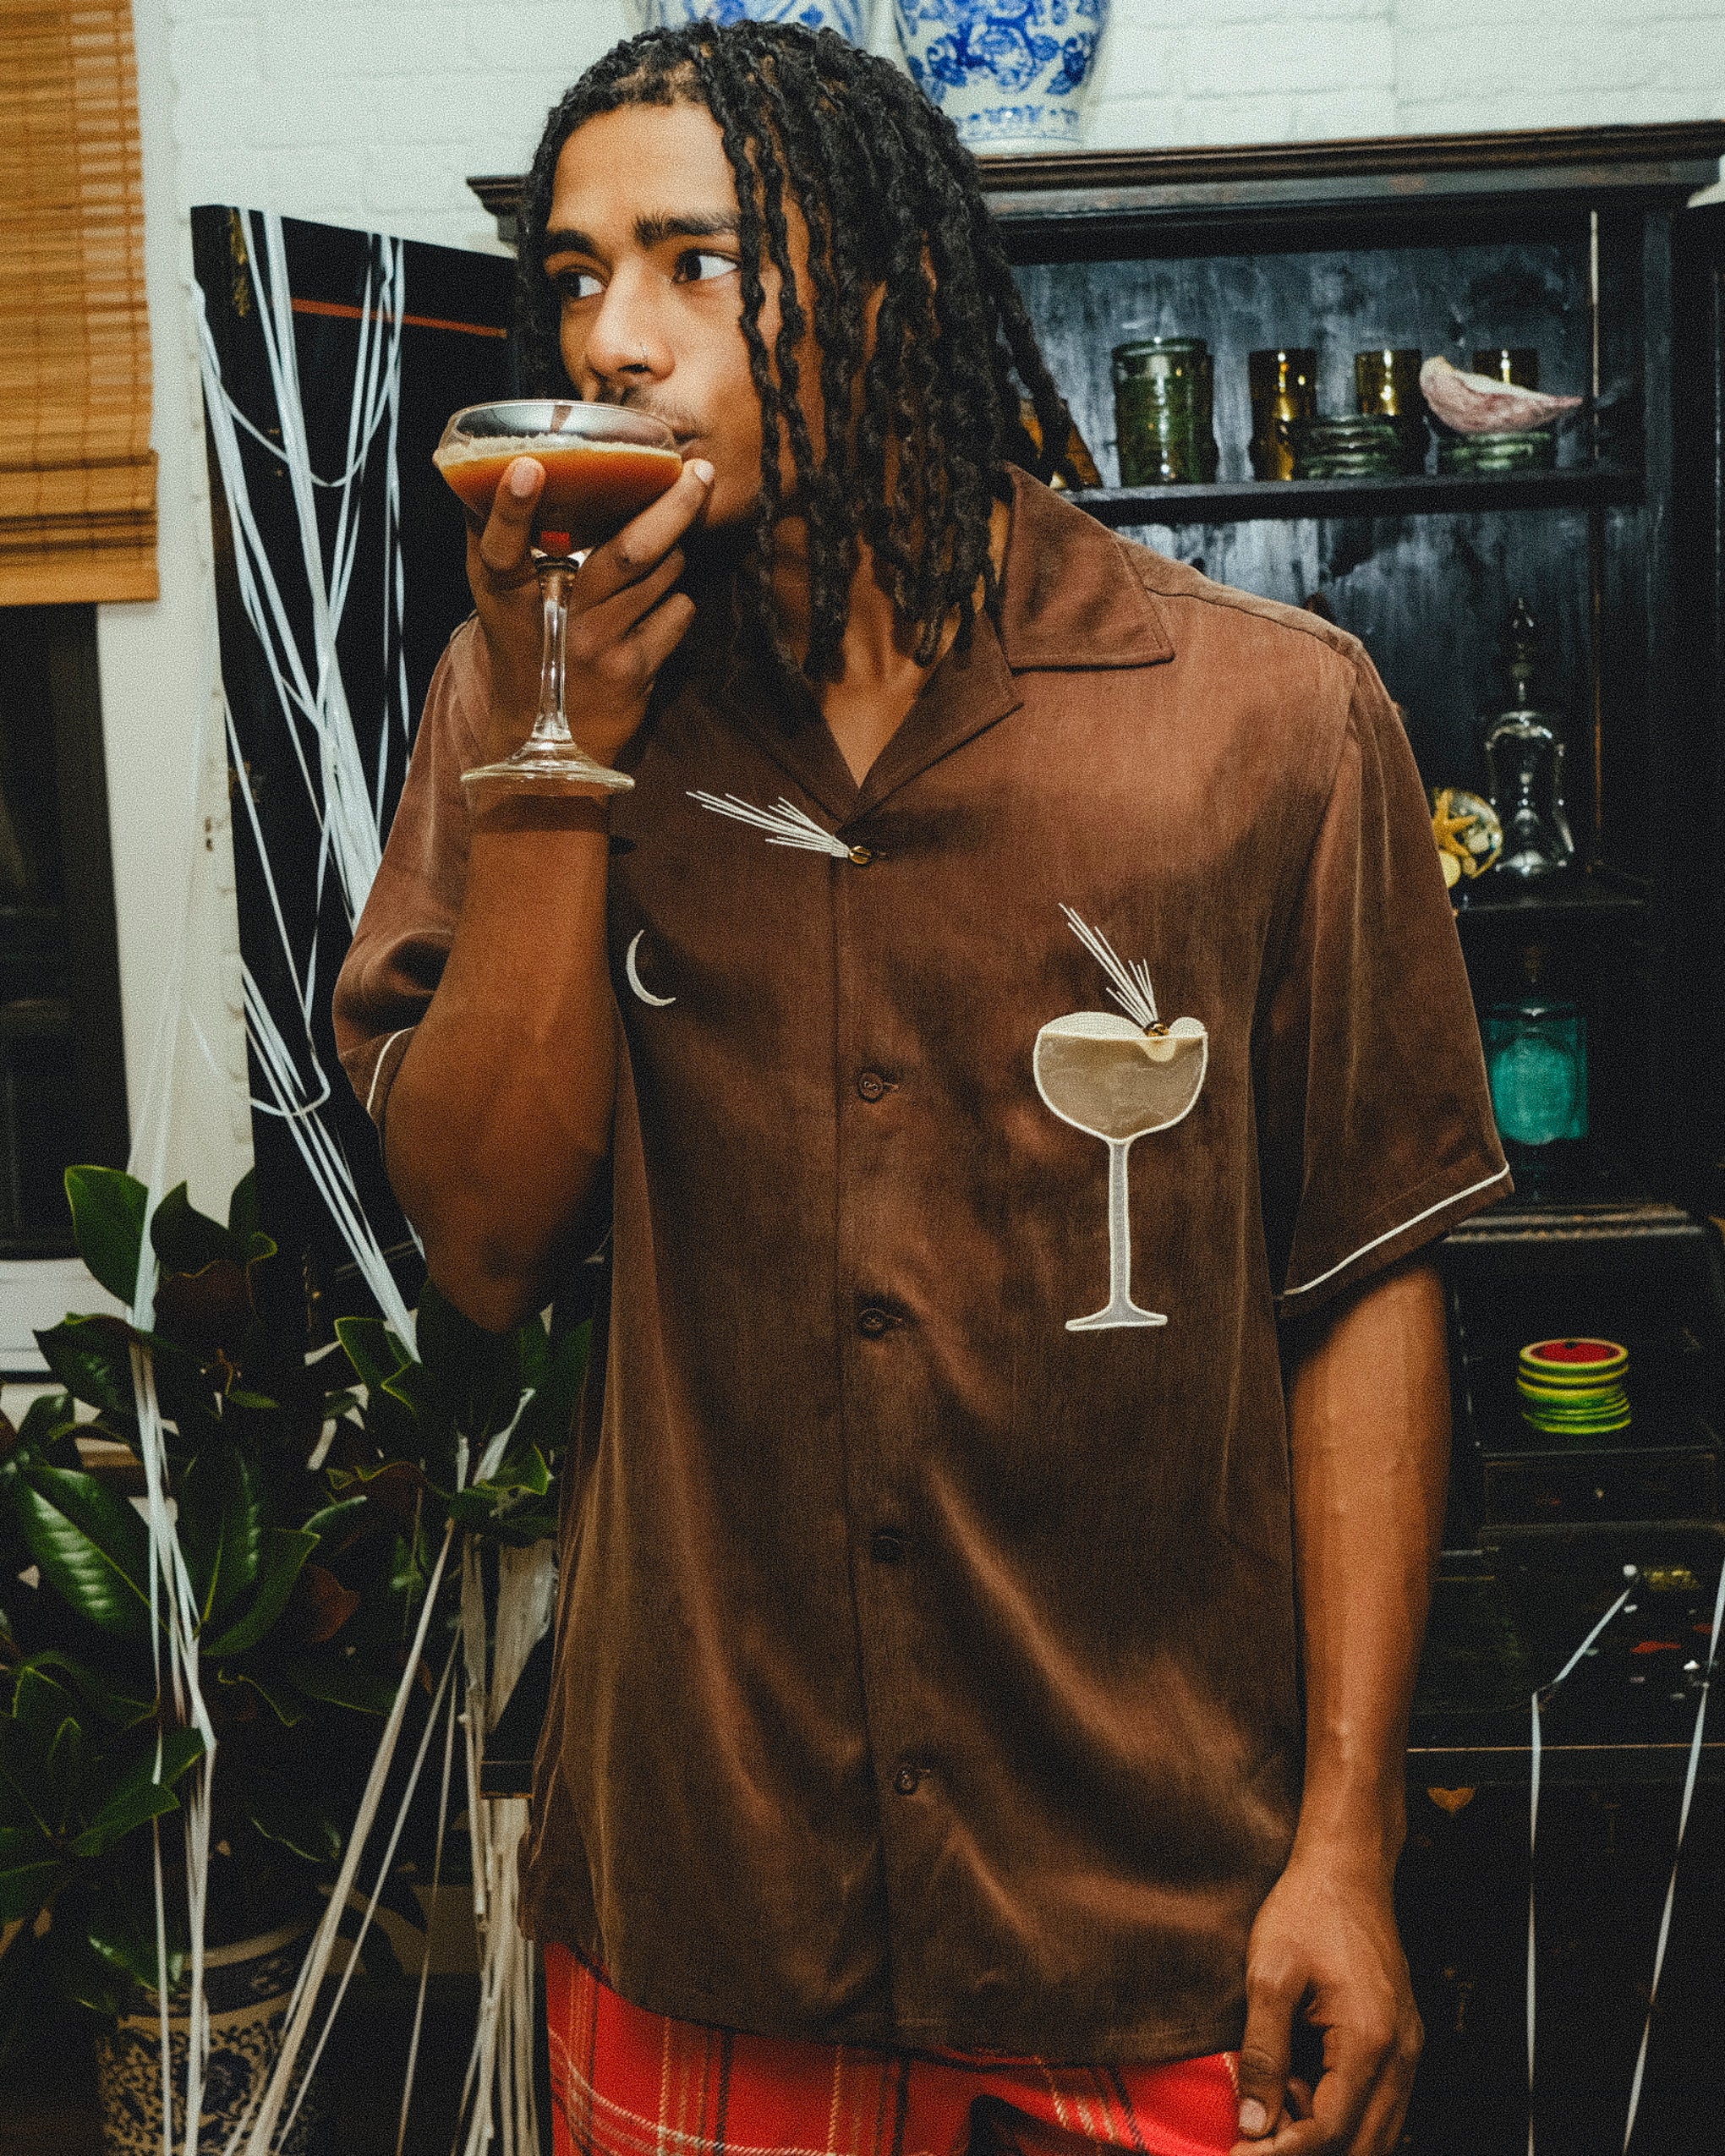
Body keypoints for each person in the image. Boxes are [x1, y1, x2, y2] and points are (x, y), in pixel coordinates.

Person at [334, 24, 1509, 2156]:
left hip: (1158, 1909)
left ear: (878, 290)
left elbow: (1362, 1287)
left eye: (693, 263)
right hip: (710, 1903)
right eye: (577, 275)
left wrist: (1346, 1838)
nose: (609, 337)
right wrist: (557, 755)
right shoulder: (520, 705)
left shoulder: (1264, 715)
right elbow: (488, 1246)